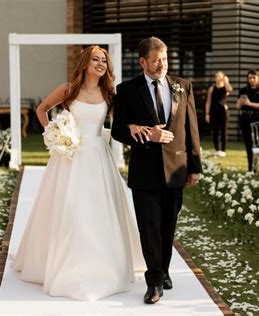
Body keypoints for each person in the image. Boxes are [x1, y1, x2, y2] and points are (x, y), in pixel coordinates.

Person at [12, 45, 145, 301]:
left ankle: (103, 266)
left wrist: (135, 125)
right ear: (85, 63)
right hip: (70, 157)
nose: (100, 64)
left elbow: (120, 122)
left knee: (99, 210)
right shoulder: (68, 90)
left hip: (98, 156)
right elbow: (42, 109)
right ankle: (65, 264)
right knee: (70, 208)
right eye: (95, 59)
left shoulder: (109, 94)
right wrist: (54, 132)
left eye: (104, 60)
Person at [112, 36, 202, 304]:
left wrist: (194, 166)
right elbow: (118, 130)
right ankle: (154, 282)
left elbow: (191, 129)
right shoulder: (126, 90)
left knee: (167, 226)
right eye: (156, 60)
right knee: (149, 227)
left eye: (164, 59)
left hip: (176, 169)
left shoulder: (183, 86)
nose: (161, 64)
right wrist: (144, 134)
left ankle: (163, 270)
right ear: (142, 61)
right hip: (144, 171)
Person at [235, 69, 259, 173]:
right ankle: (251, 168)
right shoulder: (243, 90)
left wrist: (249, 103)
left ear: (258, 78)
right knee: (248, 144)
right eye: (249, 78)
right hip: (245, 118)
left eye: (253, 77)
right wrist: (240, 103)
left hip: (258, 119)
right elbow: (237, 106)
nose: (251, 80)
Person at [205, 71, 232, 157]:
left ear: (223, 77)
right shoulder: (212, 88)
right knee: (215, 131)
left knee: (224, 131)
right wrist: (207, 113)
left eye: (219, 76)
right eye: (216, 76)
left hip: (223, 112)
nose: (217, 78)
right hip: (213, 112)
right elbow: (208, 102)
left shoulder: (225, 88)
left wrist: (226, 81)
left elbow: (230, 90)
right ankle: (217, 149)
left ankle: (223, 150)